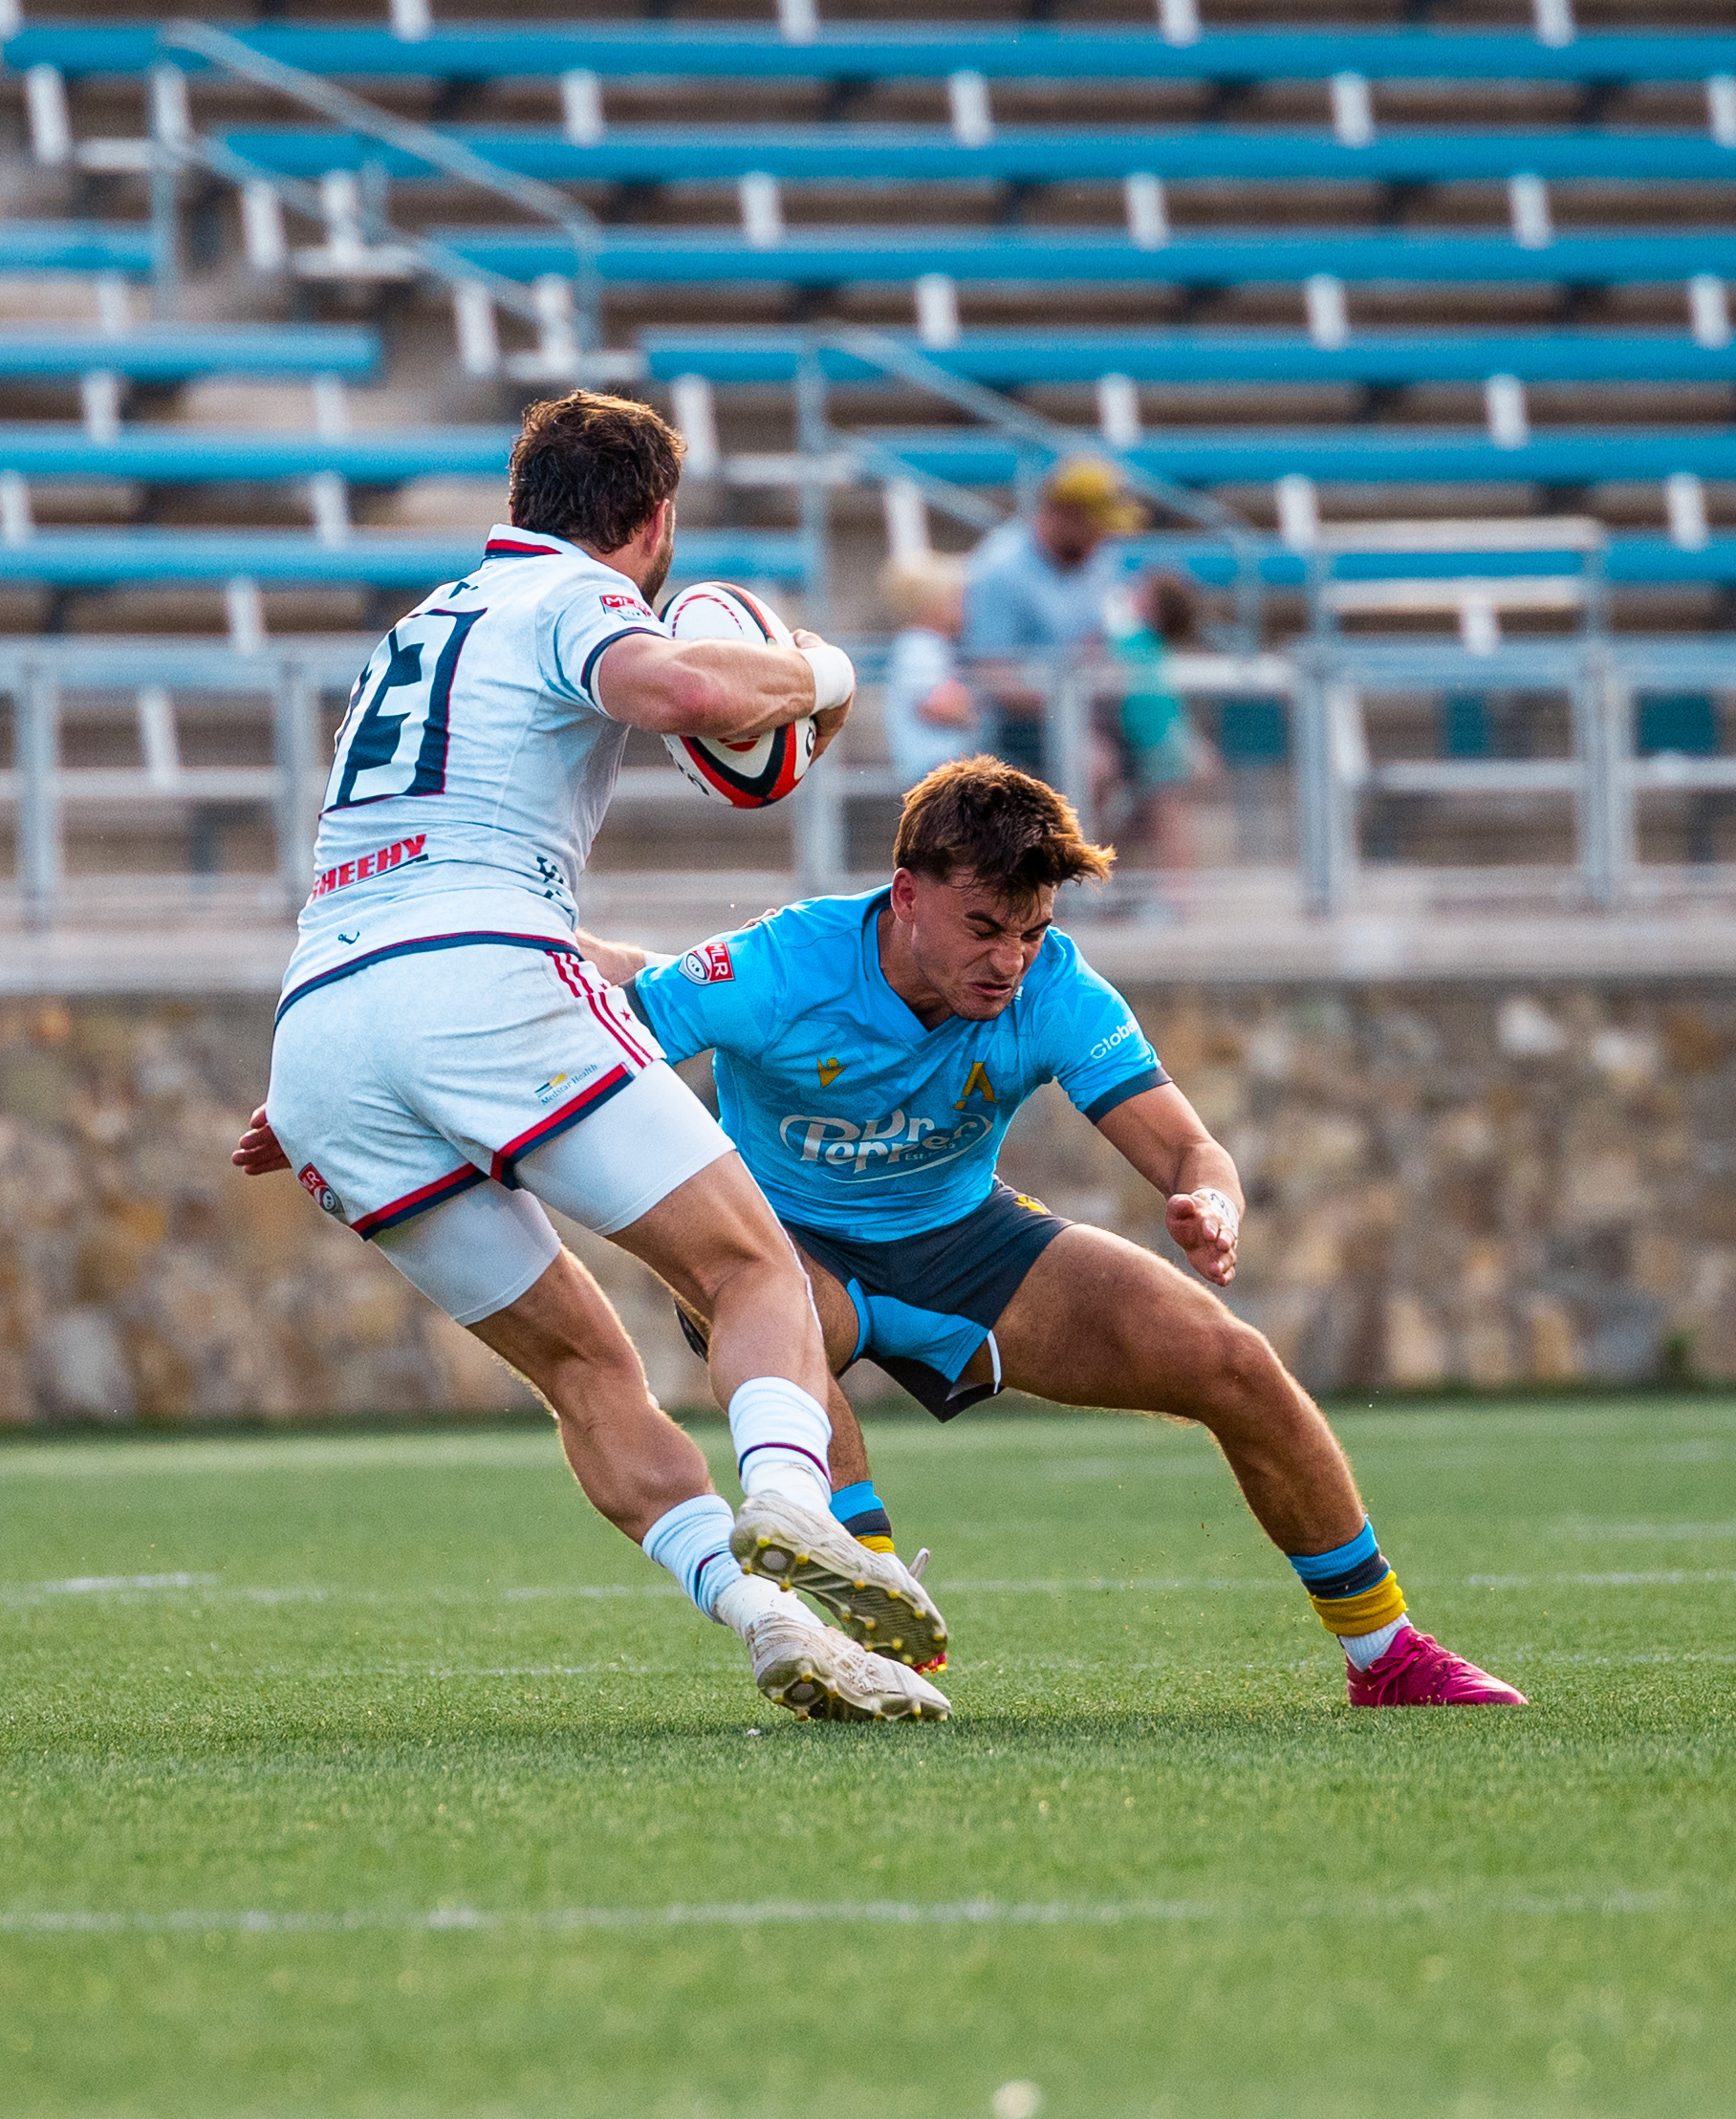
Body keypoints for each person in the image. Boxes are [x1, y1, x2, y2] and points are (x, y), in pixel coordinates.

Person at [231, 387, 950, 1723]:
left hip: (324, 1029)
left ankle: (771, 1621)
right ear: (656, 521)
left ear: (519, 501)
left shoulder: (414, 629)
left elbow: (409, 857)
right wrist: (826, 674)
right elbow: (683, 690)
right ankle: (791, 1503)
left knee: (582, 1370)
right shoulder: (576, 595)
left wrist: (337, 1072)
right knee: (750, 1266)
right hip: (480, 981)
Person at [573, 757, 1527, 1709]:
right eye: (984, 928)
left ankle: (1388, 1655)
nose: (1009, 961)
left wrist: (1211, 1204)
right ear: (906, 895)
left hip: (959, 1236)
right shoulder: (776, 966)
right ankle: (871, 1614)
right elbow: (601, 1038)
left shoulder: (1054, 988)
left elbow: (1190, 1149)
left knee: (1231, 1361)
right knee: (782, 1303)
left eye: (1030, 931)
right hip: (781, 1237)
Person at [961, 458, 1143, 778]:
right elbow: (991, 674)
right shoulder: (1000, 567)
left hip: (1088, 712)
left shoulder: (1099, 561)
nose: (1102, 539)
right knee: (1091, 767)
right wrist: (1065, 703)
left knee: (1170, 755)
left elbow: (1101, 642)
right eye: (1095, 528)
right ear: (1064, 514)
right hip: (1015, 728)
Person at [1099, 567, 1216, 910]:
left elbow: (1163, 709)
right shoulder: (1146, 644)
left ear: (1153, 606)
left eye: (1141, 592)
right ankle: (1137, 894)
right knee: (1147, 821)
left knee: (1169, 818)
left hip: (1158, 742)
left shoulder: (1137, 643)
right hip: (1142, 742)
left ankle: (1178, 895)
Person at [879, 553, 980, 789]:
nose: (965, 606)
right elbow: (936, 706)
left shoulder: (934, 645)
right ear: (932, 604)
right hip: (931, 764)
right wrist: (974, 711)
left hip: (938, 764)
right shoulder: (919, 646)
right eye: (955, 599)